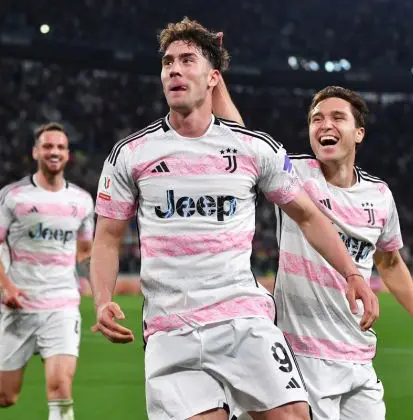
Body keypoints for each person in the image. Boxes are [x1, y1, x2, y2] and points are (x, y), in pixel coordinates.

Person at [90, 18, 378, 420]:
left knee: (294, 415)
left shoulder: (253, 148)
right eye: (168, 61)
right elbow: (106, 238)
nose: (174, 68)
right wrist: (102, 300)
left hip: (243, 319)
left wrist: (351, 274)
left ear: (213, 78)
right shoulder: (131, 154)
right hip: (171, 328)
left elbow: (310, 216)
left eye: (187, 60)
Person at [211, 81, 413, 420]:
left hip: (359, 356)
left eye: (337, 117)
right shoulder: (295, 174)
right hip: (303, 355)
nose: (325, 124)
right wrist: (216, 82)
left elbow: (390, 262)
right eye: (316, 119)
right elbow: (242, 140)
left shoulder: (380, 196)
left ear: (358, 133)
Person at [0, 122, 94, 420]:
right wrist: (6, 287)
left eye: (60, 147)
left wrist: (95, 286)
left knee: (60, 386)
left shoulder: (82, 201)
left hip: (62, 305)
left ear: (68, 155)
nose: (53, 152)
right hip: (19, 305)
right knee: (7, 398)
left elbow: (85, 250)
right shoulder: (13, 196)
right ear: (35, 152)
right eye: (47, 146)